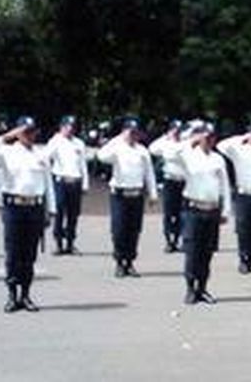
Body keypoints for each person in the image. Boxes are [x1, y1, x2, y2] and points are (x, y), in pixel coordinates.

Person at [0, 118, 57, 313]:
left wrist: (51, 210)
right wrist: (6, 136)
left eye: (33, 131)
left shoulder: (40, 154)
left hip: (34, 208)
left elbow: (47, 183)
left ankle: (26, 294)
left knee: (29, 254)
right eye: (26, 131)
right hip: (14, 207)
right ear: (18, 132)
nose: (31, 135)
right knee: (13, 253)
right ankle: (12, 295)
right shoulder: (6, 152)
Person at [175, 122, 231, 305]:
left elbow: (225, 186)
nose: (209, 141)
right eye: (206, 138)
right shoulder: (188, 156)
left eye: (212, 138)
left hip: (212, 209)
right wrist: (190, 141)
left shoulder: (218, 159)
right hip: (194, 209)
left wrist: (226, 210)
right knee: (192, 251)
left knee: (207, 252)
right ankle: (190, 287)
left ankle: (203, 288)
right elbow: (169, 154)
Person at [97, 118, 158, 278]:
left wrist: (153, 193)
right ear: (124, 132)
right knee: (119, 229)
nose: (133, 135)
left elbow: (149, 173)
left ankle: (130, 262)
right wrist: (117, 139)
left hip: (136, 194)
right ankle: (119, 261)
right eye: (130, 132)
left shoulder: (142, 150)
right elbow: (101, 156)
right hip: (119, 194)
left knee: (134, 230)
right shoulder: (117, 148)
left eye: (136, 132)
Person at [217, 126, 251, 274]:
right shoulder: (239, 151)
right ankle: (243, 259)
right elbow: (221, 146)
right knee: (243, 229)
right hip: (243, 194)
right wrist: (242, 137)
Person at [45, 115, 89, 255]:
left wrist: (85, 183)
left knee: (73, 214)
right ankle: (58, 243)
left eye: (72, 126)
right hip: (61, 180)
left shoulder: (79, 143)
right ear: (61, 127)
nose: (70, 129)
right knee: (59, 212)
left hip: (75, 181)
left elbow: (83, 165)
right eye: (67, 126)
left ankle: (70, 243)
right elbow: (46, 157)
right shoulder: (55, 141)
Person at [149, 120, 186, 253]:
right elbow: (152, 149)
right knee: (169, 213)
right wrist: (165, 137)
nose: (176, 133)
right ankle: (169, 240)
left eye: (179, 131)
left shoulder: (185, 144)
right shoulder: (165, 144)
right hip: (170, 181)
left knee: (183, 213)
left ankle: (179, 238)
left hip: (184, 181)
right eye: (174, 130)